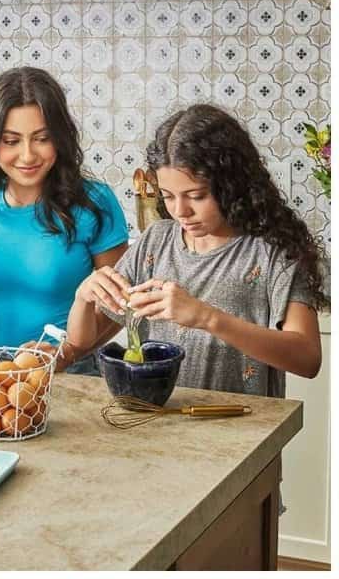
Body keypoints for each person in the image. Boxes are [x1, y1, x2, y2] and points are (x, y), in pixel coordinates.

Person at [66, 104, 324, 394]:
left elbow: (308, 358)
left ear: (231, 183)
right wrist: (83, 298)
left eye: (196, 196)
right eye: (167, 196)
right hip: (154, 427)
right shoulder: (155, 241)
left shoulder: (273, 252)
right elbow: (82, 341)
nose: (180, 211)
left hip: (243, 432)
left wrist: (206, 317)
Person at [0, 67, 129, 374]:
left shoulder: (94, 203)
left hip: (74, 375)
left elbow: (118, 307)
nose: (27, 155)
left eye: (41, 138)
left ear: (60, 137)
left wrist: (66, 353)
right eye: (11, 141)